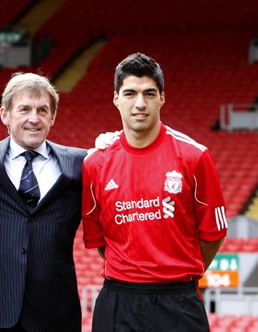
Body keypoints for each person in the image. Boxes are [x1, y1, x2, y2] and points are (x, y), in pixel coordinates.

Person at [82, 52, 228, 332]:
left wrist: (176, 274)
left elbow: (214, 234)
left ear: (162, 97)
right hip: (118, 300)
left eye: (149, 93)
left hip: (178, 302)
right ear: (116, 98)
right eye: (130, 94)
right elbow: (101, 240)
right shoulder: (95, 164)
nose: (140, 104)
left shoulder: (195, 157)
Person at [0, 73, 85, 332]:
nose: (34, 118)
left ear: (52, 116)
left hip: (54, 310)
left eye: (42, 110)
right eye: (24, 109)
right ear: (5, 115)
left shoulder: (79, 163)